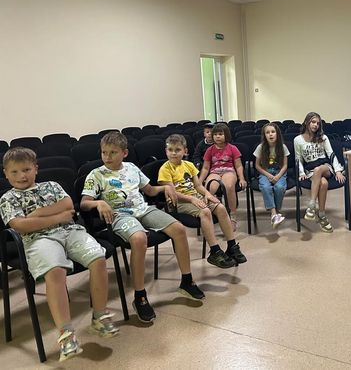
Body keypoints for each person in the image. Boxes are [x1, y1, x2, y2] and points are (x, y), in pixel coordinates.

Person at [0, 147, 118, 362]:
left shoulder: (52, 186)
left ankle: (99, 316)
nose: (21, 176)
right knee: (55, 271)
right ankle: (66, 334)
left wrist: (36, 215)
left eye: (26, 170)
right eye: (14, 172)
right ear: (6, 173)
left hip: (71, 231)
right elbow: (19, 226)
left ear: (36, 169)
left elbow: (67, 205)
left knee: (98, 258)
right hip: (38, 240)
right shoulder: (8, 198)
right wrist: (57, 217)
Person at [80, 132, 204, 324]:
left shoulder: (132, 168)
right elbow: (84, 203)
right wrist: (98, 203)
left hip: (143, 210)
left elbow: (150, 191)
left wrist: (165, 188)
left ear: (125, 153)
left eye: (113, 152)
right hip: (119, 215)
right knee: (139, 239)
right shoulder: (96, 174)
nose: (107, 157)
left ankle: (187, 281)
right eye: (104, 152)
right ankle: (140, 296)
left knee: (179, 229)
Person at [158, 134, 246, 268]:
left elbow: (198, 186)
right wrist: (192, 199)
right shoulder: (165, 169)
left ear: (185, 151)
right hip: (178, 203)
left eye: (177, 150)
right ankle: (215, 251)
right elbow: (172, 192)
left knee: (221, 207)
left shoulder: (189, 165)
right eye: (170, 150)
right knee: (205, 212)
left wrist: (208, 194)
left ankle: (232, 246)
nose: (174, 153)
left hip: (195, 197)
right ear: (166, 151)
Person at [294, 112, 345, 233]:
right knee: (324, 183)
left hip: (325, 167)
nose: (315, 125)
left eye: (318, 123)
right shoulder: (298, 140)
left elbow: (331, 154)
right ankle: (322, 215)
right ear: (306, 122)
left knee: (319, 170)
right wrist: (301, 173)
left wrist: (338, 171)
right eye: (313, 122)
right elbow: (298, 159)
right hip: (310, 169)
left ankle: (311, 205)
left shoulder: (323, 137)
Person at [198, 123, 246, 231]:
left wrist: (242, 178)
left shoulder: (232, 148)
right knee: (210, 187)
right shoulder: (210, 150)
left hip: (229, 171)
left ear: (226, 135)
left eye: (220, 134)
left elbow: (238, 165)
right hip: (214, 172)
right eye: (215, 134)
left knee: (229, 186)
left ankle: (232, 216)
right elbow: (205, 167)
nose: (217, 136)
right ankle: (215, 213)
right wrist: (200, 181)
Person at [253, 123, 290, 228]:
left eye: (273, 132)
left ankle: (276, 212)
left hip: (279, 171)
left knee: (279, 187)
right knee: (265, 187)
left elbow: (285, 165)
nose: (270, 134)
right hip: (265, 171)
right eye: (267, 132)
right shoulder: (260, 147)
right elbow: (257, 166)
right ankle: (274, 213)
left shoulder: (283, 147)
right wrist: (268, 175)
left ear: (277, 134)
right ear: (264, 135)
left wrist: (278, 176)